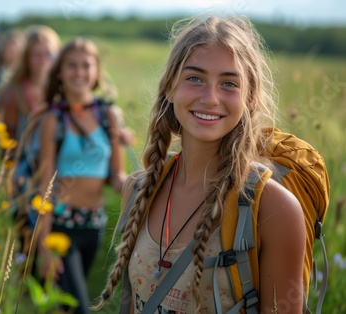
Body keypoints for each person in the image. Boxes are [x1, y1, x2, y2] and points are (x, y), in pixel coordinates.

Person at [93, 15, 306, 313]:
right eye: (194, 78)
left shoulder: (274, 208)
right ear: (170, 87)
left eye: (229, 83)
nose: (210, 98)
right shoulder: (139, 189)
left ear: (251, 100)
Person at [35, 37, 127, 314]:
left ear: (96, 71)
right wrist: (44, 245)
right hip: (61, 225)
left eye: (86, 65)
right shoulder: (53, 120)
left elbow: (116, 175)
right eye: (71, 65)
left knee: (67, 305)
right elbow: (44, 183)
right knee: (77, 308)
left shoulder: (108, 114)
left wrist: (146, 191)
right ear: (60, 72)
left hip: (93, 224)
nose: (79, 72)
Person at [0, 25, 61, 142]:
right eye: (37, 55)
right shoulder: (15, 91)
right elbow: (7, 136)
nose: (44, 60)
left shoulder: (62, 90)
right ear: (26, 57)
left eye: (49, 54)